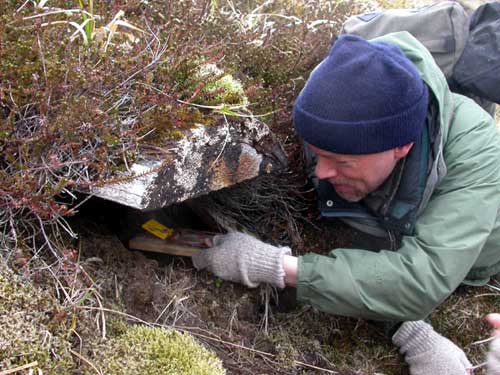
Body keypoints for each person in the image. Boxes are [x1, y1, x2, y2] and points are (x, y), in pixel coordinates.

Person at [192, 32, 500, 374]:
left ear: (402, 147)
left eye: (342, 161)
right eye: (318, 153)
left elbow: (423, 277)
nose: (322, 172)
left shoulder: (478, 151)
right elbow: (358, 252)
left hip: (475, 262)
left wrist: (275, 266)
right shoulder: (338, 98)